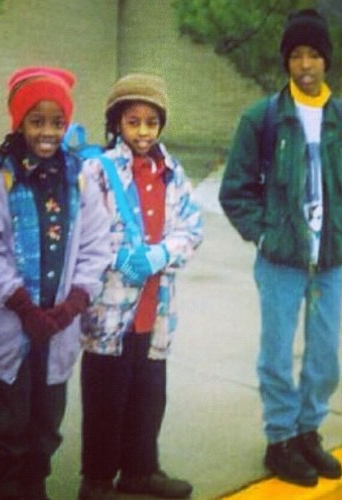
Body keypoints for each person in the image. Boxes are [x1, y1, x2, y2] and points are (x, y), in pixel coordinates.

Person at [219, 9, 342, 488]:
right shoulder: (262, 118)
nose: (305, 64)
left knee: (324, 354)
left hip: (328, 261)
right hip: (280, 260)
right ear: (286, 62)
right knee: (276, 354)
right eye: (296, 55)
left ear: (327, 60)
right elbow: (235, 190)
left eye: (313, 54)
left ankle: (309, 430)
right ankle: (280, 439)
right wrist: (263, 234)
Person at [0, 66, 112, 500]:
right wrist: (25, 308)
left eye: (56, 122)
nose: (47, 131)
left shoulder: (80, 180)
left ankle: (32, 488)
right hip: (6, 328)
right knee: (1, 428)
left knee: (44, 425)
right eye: (36, 120)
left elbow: (97, 245)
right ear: (19, 122)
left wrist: (70, 306)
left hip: (56, 330)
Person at [78, 73, 203, 499]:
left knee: (149, 393)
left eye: (152, 122)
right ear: (117, 124)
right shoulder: (96, 171)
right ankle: (96, 480)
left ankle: (139, 470)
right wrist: (119, 255)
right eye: (134, 122)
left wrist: (162, 253)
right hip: (109, 310)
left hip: (155, 307)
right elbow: (86, 231)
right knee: (105, 399)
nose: (144, 131)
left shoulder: (171, 172)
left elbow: (192, 226)